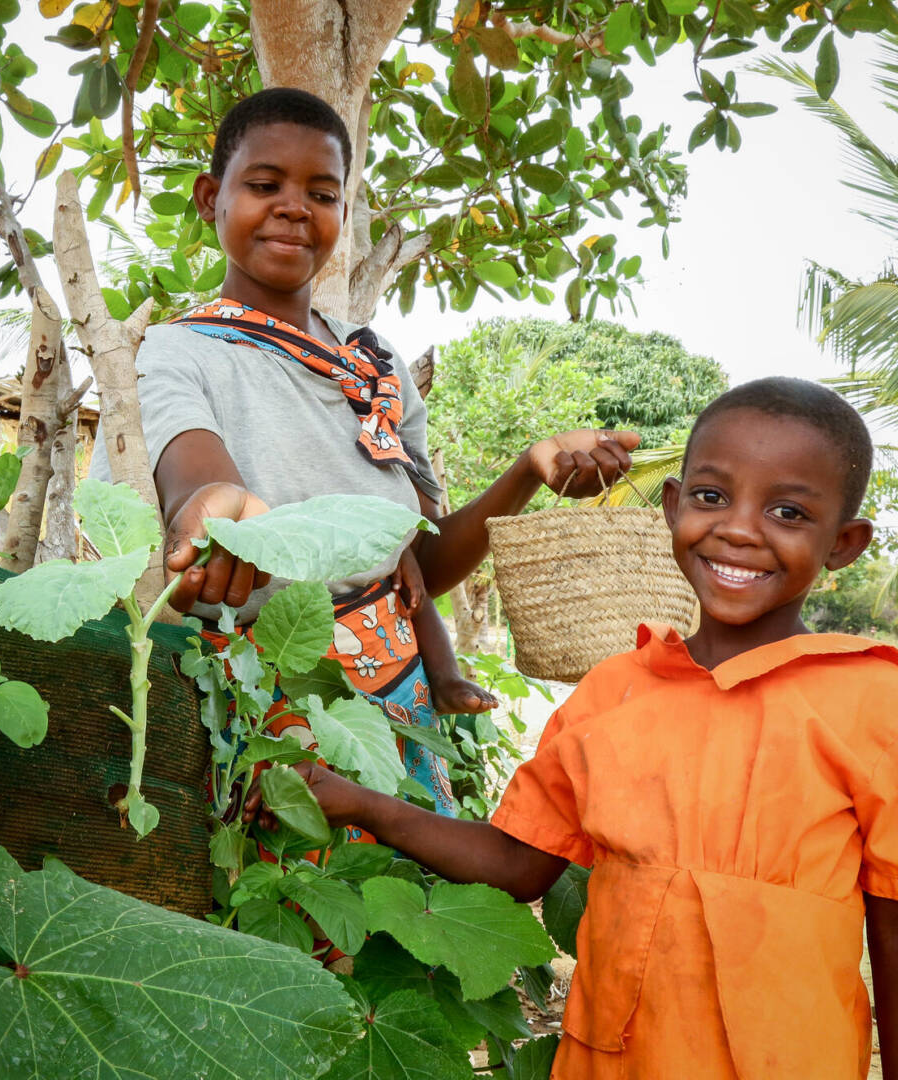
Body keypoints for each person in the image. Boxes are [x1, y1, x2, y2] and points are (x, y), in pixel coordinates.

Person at [249, 377, 898, 1080]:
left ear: (844, 543)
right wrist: (364, 803)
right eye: (711, 496)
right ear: (671, 506)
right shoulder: (615, 691)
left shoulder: (879, 705)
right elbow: (518, 863)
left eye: (788, 512)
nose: (737, 529)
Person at [92, 85, 636, 819]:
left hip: (402, 699)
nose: (294, 207)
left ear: (344, 214)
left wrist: (527, 468)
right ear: (209, 197)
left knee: (400, 911)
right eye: (263, 185)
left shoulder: (374, 365)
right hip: (270, 709)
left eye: (322, 192)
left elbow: (424, 566)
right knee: (294, 911)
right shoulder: (175, 352)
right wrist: (216, 512)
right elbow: (194, 469)